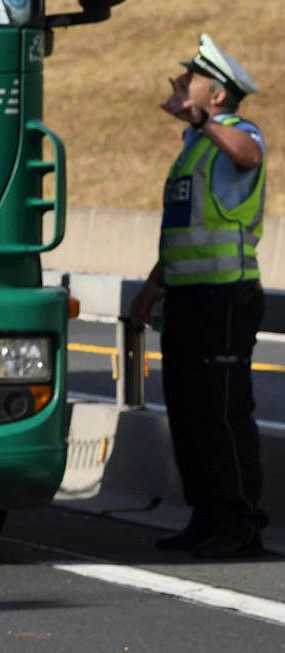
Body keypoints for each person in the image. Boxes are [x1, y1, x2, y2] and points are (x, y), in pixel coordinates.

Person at [128, 33, 268, 559]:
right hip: (188, 298)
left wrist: (201, 123)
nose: (181, 84)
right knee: (188, 413)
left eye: (193, 79)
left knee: (223, 413)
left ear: (217, 96)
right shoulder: (194, 150)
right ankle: (206, 516)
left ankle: (240, 523)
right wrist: (152, 284)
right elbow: (186, 227)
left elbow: (250, 155)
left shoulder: (234, 132)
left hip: (225, 298)